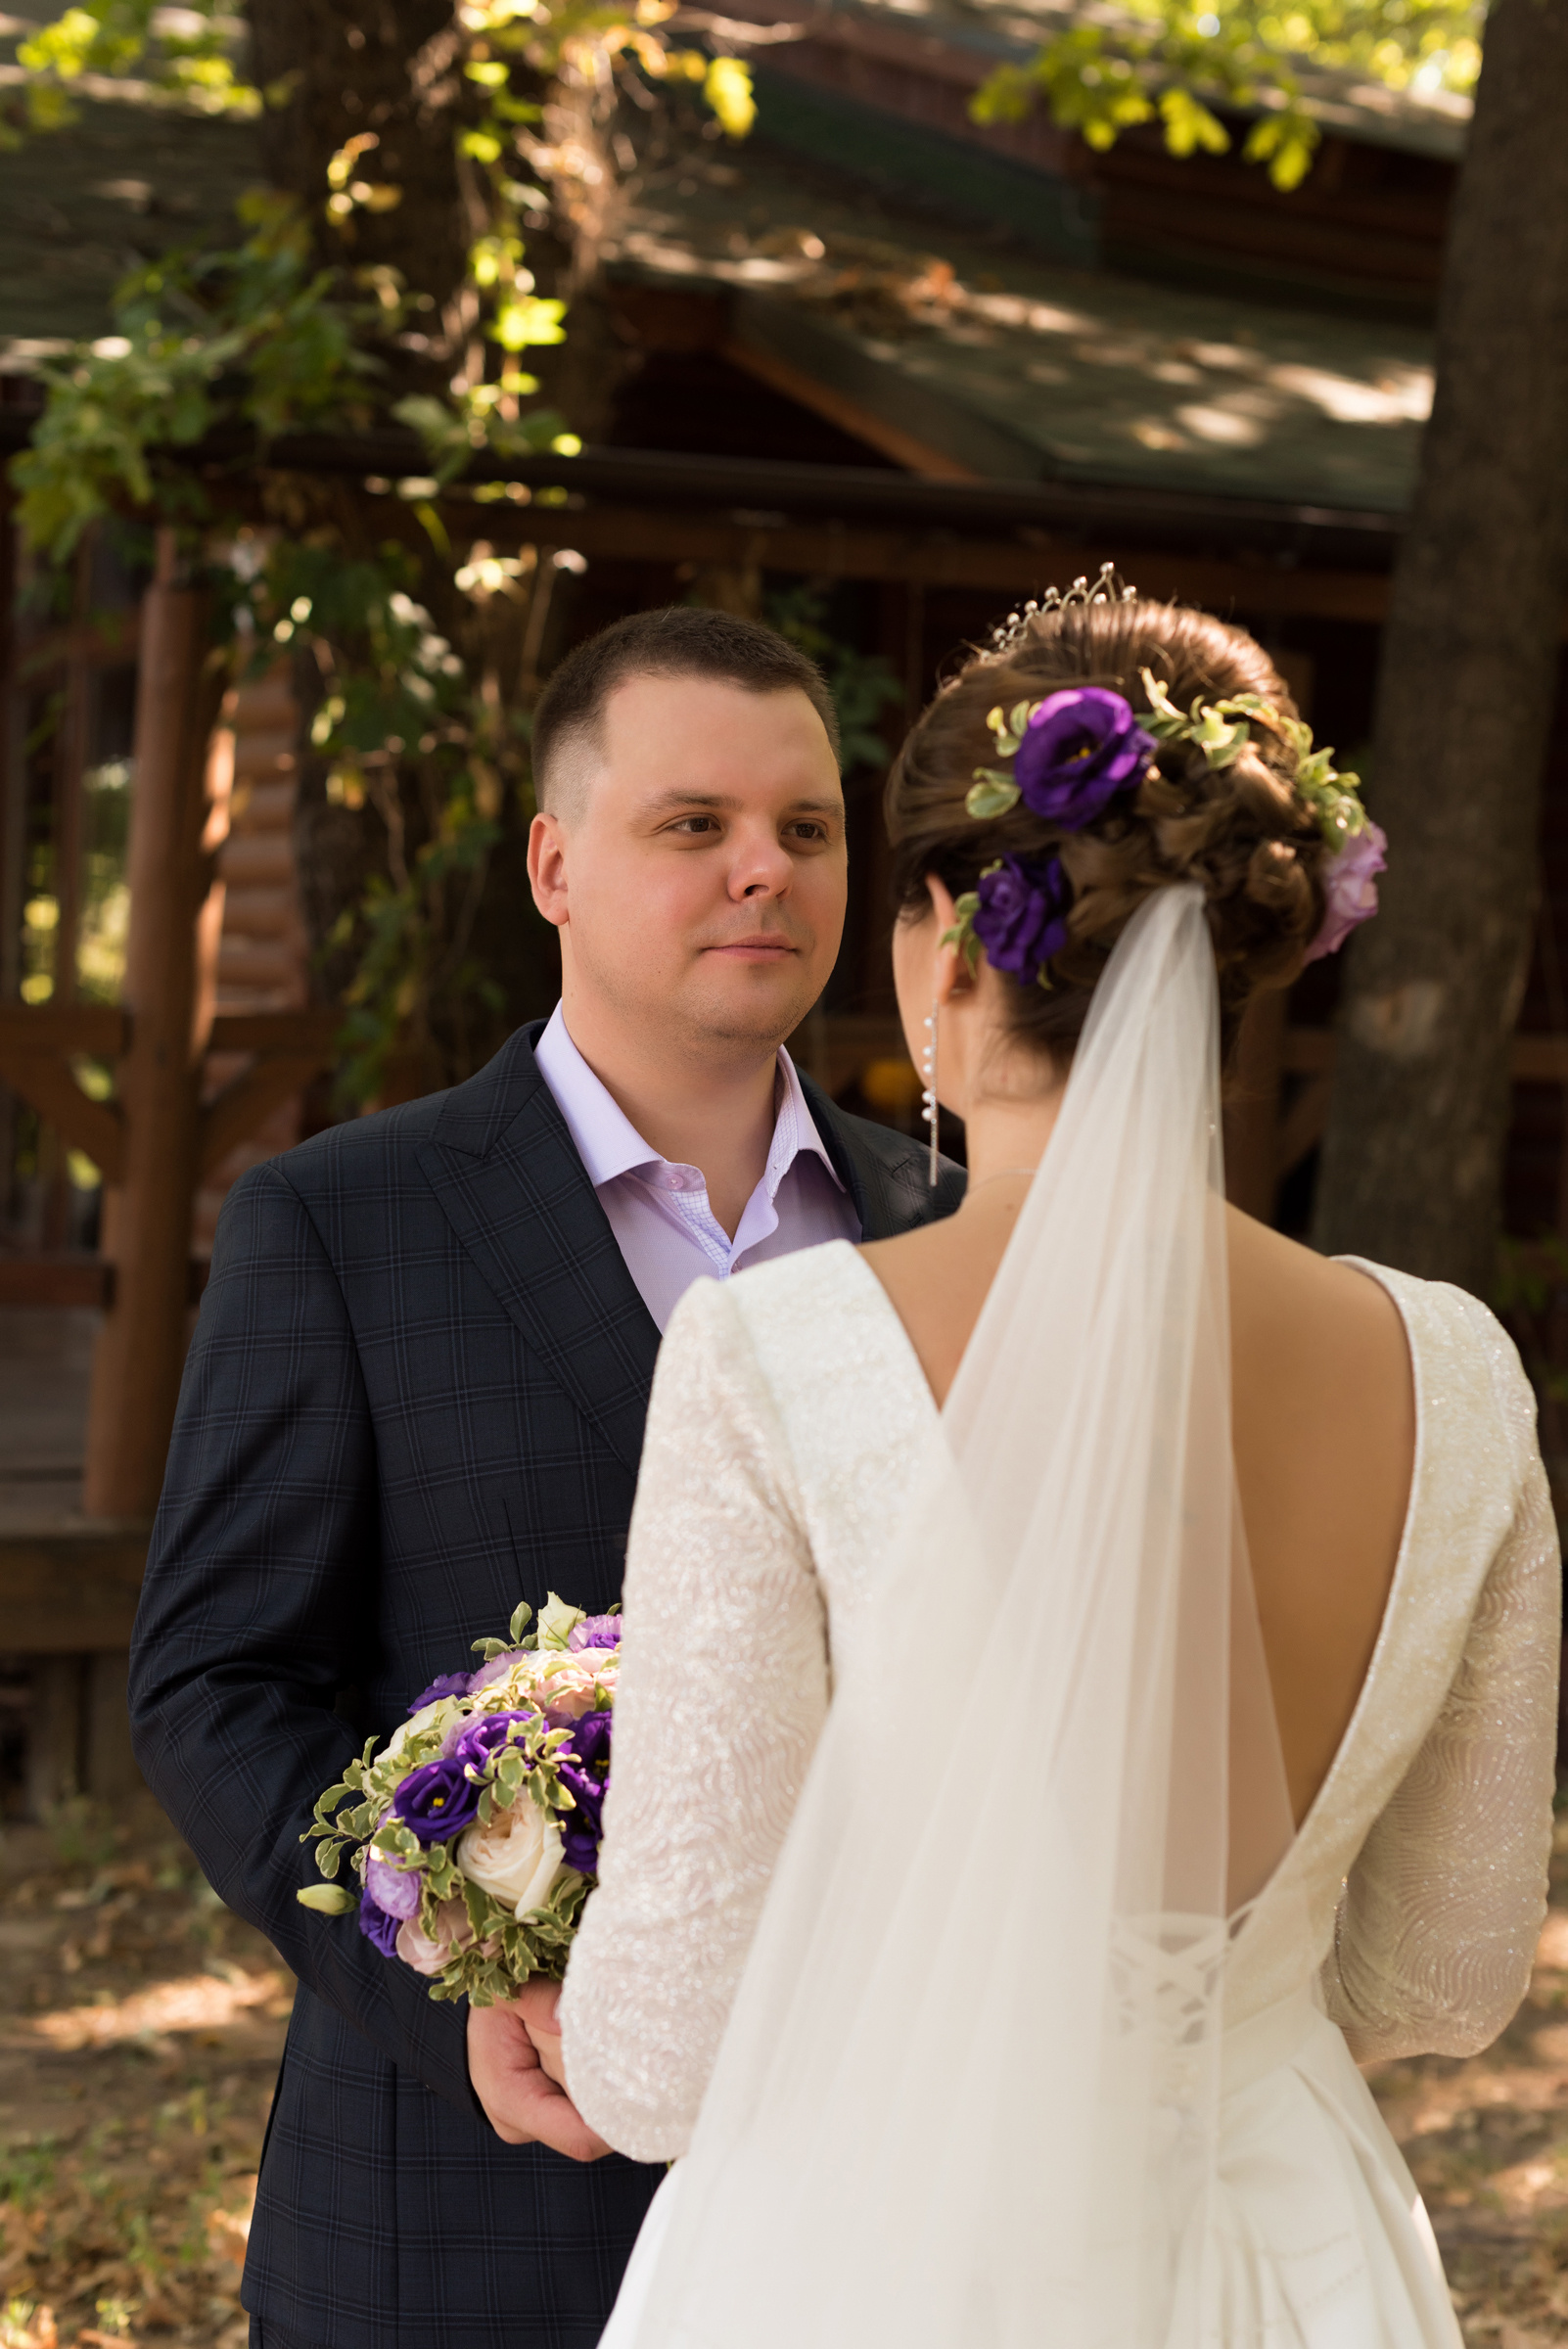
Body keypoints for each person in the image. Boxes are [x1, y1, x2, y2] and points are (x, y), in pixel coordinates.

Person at [544, 587, 1560, 2347]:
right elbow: (1446, 1977)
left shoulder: (782, 1356)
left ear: (942, 944)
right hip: (1288, 2245)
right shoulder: (1458, 1374)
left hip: (886, 2254)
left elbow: (671, 2056)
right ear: (1247, 943)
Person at [126, 606, 963, 2349]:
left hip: (898, 2185)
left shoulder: (949, 1229)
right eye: (694, 827)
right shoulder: (342, 1224)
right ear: (554, 863)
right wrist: (448, 2009)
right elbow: (217, 1686)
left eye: (806, 831)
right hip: (480, 2200)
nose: (764, 872)